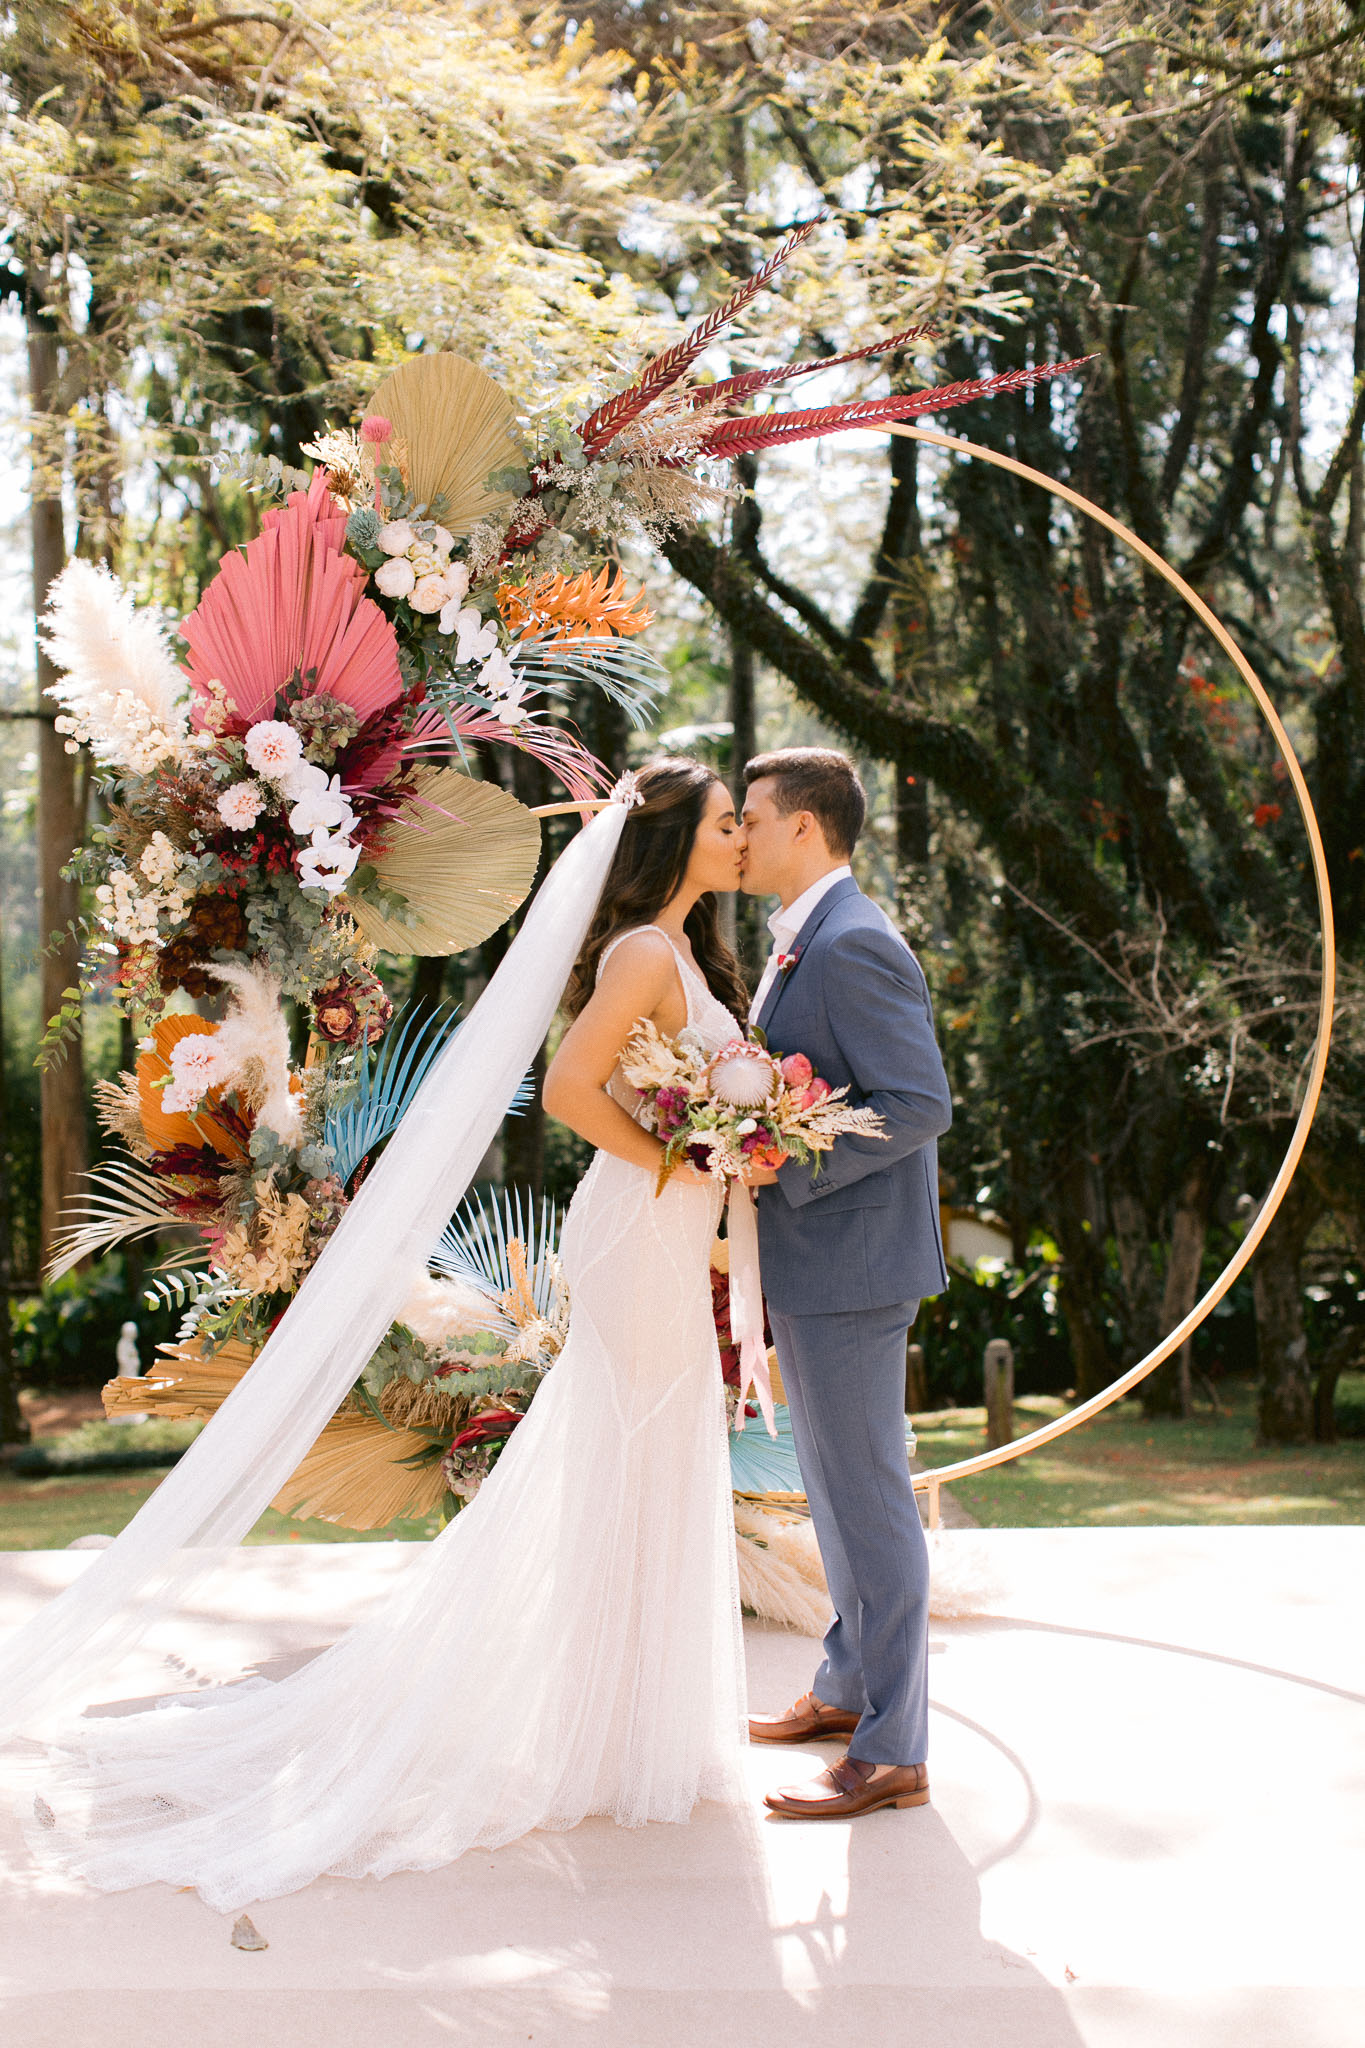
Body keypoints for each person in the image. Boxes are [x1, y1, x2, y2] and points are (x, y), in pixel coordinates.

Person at [17, 758, 757, 1912]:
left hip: (671, 1230)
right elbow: (569, 1090)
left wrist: (717, 1164)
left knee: (652, 1452)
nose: (741, 841)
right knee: (633, 1447)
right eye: (725, 825)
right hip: (637, 1229)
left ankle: (626, 1721)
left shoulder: (684, 950)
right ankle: (604, 1726)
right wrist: (682, 1158)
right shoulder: (642, 954)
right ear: (674, 843)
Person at [740, 747, 953, 1819]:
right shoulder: (806, 938)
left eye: (752, 817)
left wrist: (788, 1160)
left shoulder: (856, 941)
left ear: (806, 828)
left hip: (855, 1261)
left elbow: (919, 1101)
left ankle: (896, 1744)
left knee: (868, 1499)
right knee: (832, 1492)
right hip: (819, 1263)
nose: (739, 833)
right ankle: (843, 1688)